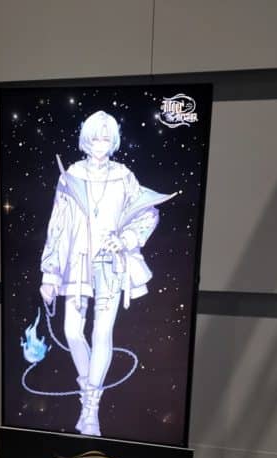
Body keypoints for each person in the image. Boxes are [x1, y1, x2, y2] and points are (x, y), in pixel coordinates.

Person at [40, 110, 176, 436]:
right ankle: (89, 396)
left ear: (112, 141)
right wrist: (50, 274)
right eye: (95, 137)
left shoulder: (124, 176)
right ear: (86, 139)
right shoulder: (70, 175)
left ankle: (90, 410)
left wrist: (126, 239)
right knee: (73, 332)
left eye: (106, 137)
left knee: (101, 333)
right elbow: (57, 226)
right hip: (76, 264)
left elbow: (147, 213)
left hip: (110, 265)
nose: (100, 143)